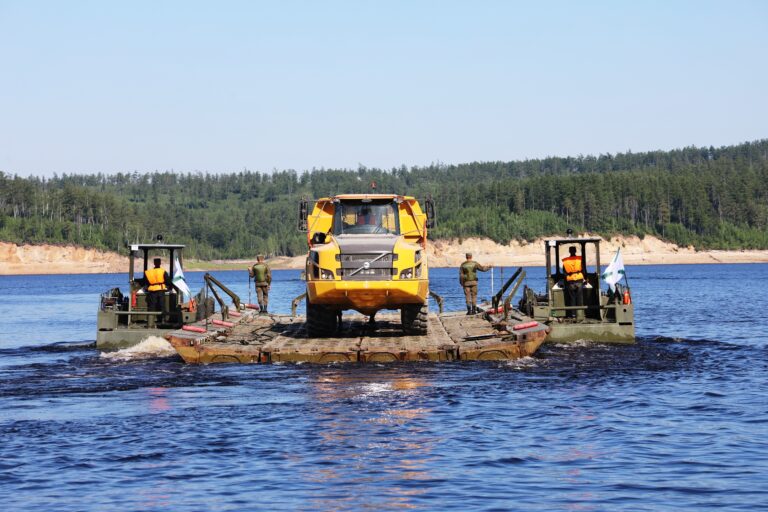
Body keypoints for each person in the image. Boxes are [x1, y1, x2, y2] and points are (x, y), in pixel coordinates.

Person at [136, 257, 172, 324]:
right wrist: (169, 287)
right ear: (160, 263)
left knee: (152, 306)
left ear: (154, 263)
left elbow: (145, 282)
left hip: (152, 291)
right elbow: (168, 281)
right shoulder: (163, 271)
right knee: (162, 305)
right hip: (161, 290)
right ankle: (163, 320)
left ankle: (150, 322)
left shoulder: (149, 272)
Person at [562, 246, 584, 319]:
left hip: (570, 281)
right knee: (579, 297)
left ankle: (573, 315)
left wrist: (569, 276)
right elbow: (583, 270)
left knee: (572, 298)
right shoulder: (579, 259)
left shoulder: (566, 261)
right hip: (579, 280)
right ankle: (580, 315)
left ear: (569, 251)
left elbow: (564, 273)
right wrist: (585, 277)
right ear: (575, 251)